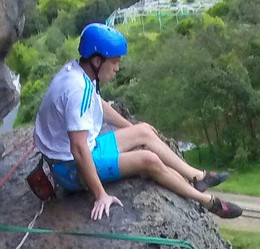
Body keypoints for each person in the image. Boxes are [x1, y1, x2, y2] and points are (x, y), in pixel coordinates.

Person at [33, 23, 242, 221]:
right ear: (97, 61)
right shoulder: (78, 90)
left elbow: (98, 105)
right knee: (148, 160)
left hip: (82, 150)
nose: (117, 68)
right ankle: (207, 202)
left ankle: (198, 177)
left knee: (143, 131)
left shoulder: (78, 72)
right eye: (114, 62)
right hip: (69, 169)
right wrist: (101, 195)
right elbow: (78, 149)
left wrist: (134, 130)